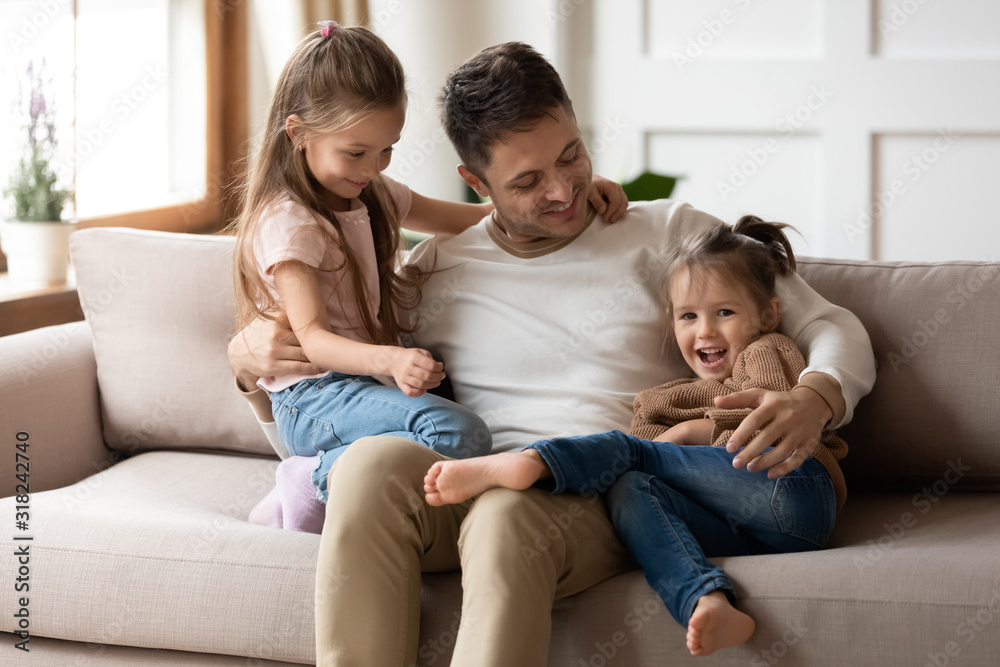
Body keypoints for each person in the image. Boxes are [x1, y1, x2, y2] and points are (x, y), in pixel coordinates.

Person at [228, 41, 876, 666]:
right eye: (529, 179)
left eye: (572, 156)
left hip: (587, 496)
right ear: (474, 180)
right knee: (369, 464)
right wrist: (254, 371)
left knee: (508, 511)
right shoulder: (432, 273)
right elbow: (338, 420)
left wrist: (813, 397)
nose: (564, 191)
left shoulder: (668, 235)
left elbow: (830, 322)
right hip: (460, 485)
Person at [228, 23, 627, 526]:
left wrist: (567, 194)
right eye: (356, 152)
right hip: (316, 394)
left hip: (359, 383)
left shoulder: (368, 191)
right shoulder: (290, 224)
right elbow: (312, 341)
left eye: (387, 149)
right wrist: (391, 360)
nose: (373, 168)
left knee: (452, 390)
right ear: (298, 132)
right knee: (462, 435)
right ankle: (311, 480)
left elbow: (479, 218)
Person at [423, 215, 849, 656]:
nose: (705, 330)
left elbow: (773, 424)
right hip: (748, 527)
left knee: (627, 454)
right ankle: (707, 600)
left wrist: (689, 433)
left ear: (767, 315)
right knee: (629, 486)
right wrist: (662, 447)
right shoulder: (659, 398)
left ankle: (536, 463)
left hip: (793, 486)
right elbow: (649, 460)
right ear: (671, 322)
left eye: (724, 312)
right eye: (689, 316)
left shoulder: (768, 348)